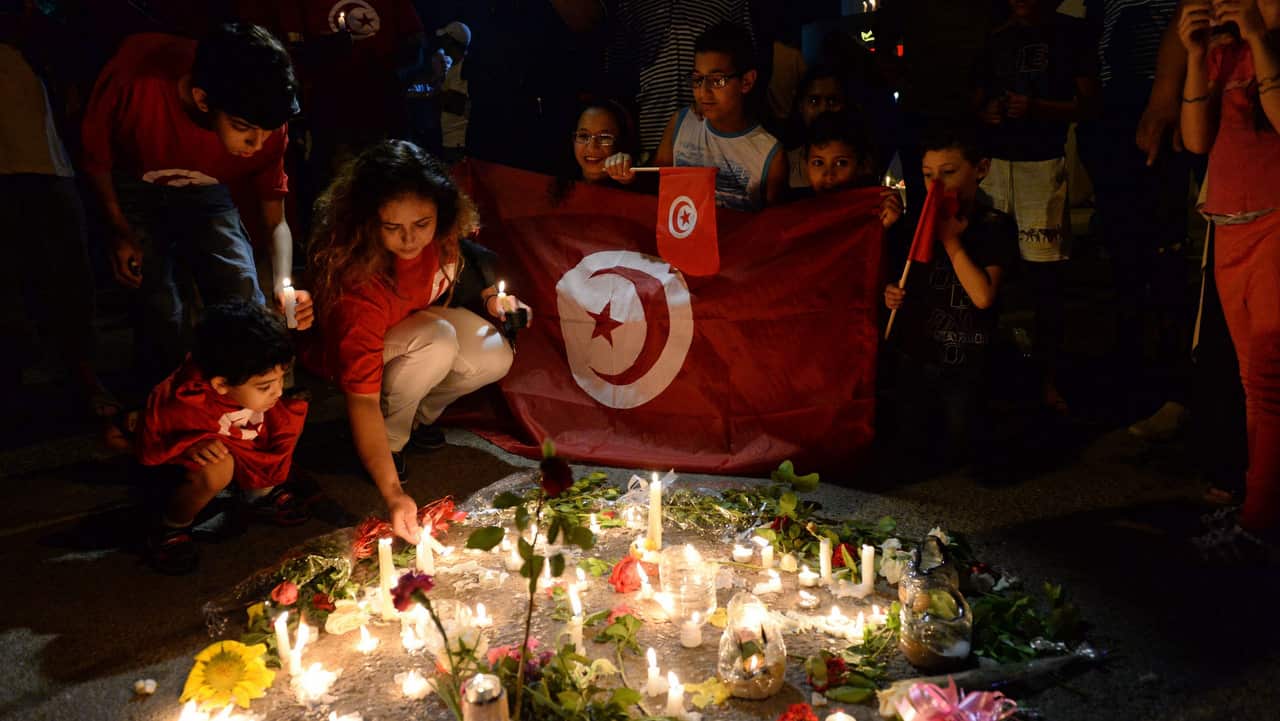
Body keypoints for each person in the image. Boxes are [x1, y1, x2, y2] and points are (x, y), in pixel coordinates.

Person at [306, 140, 522, 543]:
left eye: (422, 224)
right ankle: (389, 444)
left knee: (494, 354)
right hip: (356, 353)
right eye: (393, 227)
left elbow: (468, 259)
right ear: (369, 222)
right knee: (437, 340)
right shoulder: (359, 288)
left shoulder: (440, 235)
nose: (410, 240)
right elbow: (362, 399)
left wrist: (494, 295)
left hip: (415, 330)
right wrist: (393, 493)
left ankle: (417, 416)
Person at [81, 23, 313, 387]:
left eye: (267, 133)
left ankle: (245, 401)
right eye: (244, 129)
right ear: (203, 100)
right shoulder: (135, 82)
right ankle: (165, 403)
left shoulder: (267, 120)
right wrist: (118, 229)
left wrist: (284, 286)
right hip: (134, 181)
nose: (256, 145)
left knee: (240, 290)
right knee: (159, 304)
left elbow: (275, 221)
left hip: (207, 188)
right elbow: (95, 161)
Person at [1179, 0, 1280, 555]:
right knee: (1250, 378)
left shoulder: (1261, 43)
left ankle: (1260, 520)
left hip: (1275, 219)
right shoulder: (1225, 51)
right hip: (1229, 221)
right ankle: (1258, 511)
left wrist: (1260, 38)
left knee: (1269, 378)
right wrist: (1196, 56)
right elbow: (1197, 141)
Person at [978, 0, 1099, 413]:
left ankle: (1047, 380)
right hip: (993, 166)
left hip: (1043, 165)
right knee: (990, 272)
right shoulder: (993, 38)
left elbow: (1089, 103)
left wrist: (1038, 109)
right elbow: (974, 97)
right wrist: (988, 112)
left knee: (1045, 277)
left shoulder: (1070, 33)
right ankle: (989, 376)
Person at [136, 300, 310, 575]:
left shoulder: (247, 379)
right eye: (266, 386)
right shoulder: (185, 399)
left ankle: (259, 493)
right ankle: (172, 527)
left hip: (236, 431)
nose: (278, 391)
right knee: (217, 468)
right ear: (220, 384)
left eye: (281, 378)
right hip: (197, 462)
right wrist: (188, 446)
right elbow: (155, 438)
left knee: (283, 422)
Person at [883, 125, 1018, 469]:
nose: (936, 186)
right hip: (920, 355)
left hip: (969, 360)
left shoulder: (993, 225)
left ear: (981, 170)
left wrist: (951, 242)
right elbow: (902, 279)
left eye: (949, 173)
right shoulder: (915, 224)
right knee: (911, 446)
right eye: (928, 175)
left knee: (968, 451)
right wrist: (892, 294)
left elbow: (984, 296)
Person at [0, 40, 114, 426]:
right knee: (11, 283)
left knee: (68, 276)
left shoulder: (28, 39)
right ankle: (16, 380)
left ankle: (81, 372)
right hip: (28, 167)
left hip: (44, 165)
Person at [604, 21, 787, 211]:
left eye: (717, 81)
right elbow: (652, 187)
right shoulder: (682, 123)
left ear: (747, 81)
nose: (703, 92)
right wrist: (627, 174)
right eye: (698, 79)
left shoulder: (769, 154)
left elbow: (772, 229)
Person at [805, 111, 904, 230]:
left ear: (861, 166)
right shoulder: (794, 214)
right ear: (806, 165)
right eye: (818, 163)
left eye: (841, 163)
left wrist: (882, 227)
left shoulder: (878, 211)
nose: (829, 175)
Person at [787, 64, 849, 190]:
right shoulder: (784, 164)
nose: (823, 109)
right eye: (814, 101)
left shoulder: (861, 166)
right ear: (801, 105)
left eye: (832, 101)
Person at [435, 21, 471, 164]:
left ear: (451, 41)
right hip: (450, 140)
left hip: (457, 142)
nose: (442, 42)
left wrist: (438, 95)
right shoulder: (454, 66)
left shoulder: (465, 67)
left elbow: (459, 104)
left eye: (445, 38)